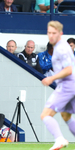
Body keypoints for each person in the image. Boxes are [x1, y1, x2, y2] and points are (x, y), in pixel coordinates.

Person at [41, 21, 75, 150]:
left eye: (54, 33)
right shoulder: (59, 47)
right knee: (66, 116)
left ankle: (59, 140)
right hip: (71, 85)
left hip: (67, 86)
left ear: (61, 33)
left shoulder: (61, 48)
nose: (51, 35)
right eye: (49, 32)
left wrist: (51, 78)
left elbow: (68, 70)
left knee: (45, 115)